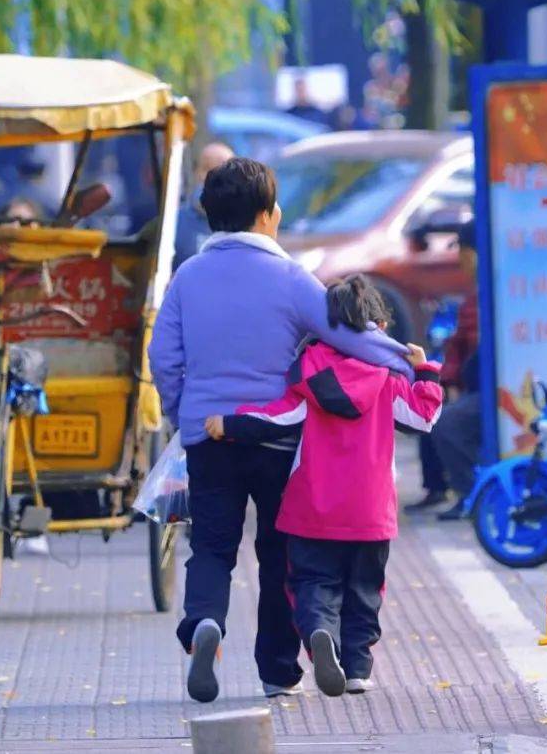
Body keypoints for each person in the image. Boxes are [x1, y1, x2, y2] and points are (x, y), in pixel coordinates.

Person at [149, 158, 417, 705]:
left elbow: (163, 358)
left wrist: (184, 417)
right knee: (280, 553)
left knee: (212, 546)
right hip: (280, 438)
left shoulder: (187, 279)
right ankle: (277, 672)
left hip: (209, 435)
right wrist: (407, 362)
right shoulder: (292, 278)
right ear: (269, 216)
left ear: (211, 216)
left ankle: (205, 622)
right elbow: (351, 336)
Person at [206, 276, 443, 696]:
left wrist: (229, 422)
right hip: (371, 512)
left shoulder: (306, 377)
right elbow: (422, 419)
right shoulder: (389, 381)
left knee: (313, 581)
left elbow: (273, 419)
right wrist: (424, 370)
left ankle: (319, 631)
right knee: (364, 589)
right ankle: (356, 668)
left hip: (312, 508)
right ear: (380, 328)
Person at [430, 225, 482, 520]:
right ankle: (439, 489)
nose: (460, 261)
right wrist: (448, 380)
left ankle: (473, 494)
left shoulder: (491, 292)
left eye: (462, 253)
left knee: (448, 423)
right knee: (431, 411)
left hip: (496, 394)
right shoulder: (474, 294)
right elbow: (459, 346)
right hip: (473, 387)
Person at [172, 141, 234, 268]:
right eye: (207, 168)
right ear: (196, 173)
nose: (215, 177)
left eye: (223, 170)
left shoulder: (247, 227)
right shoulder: (173, 224)